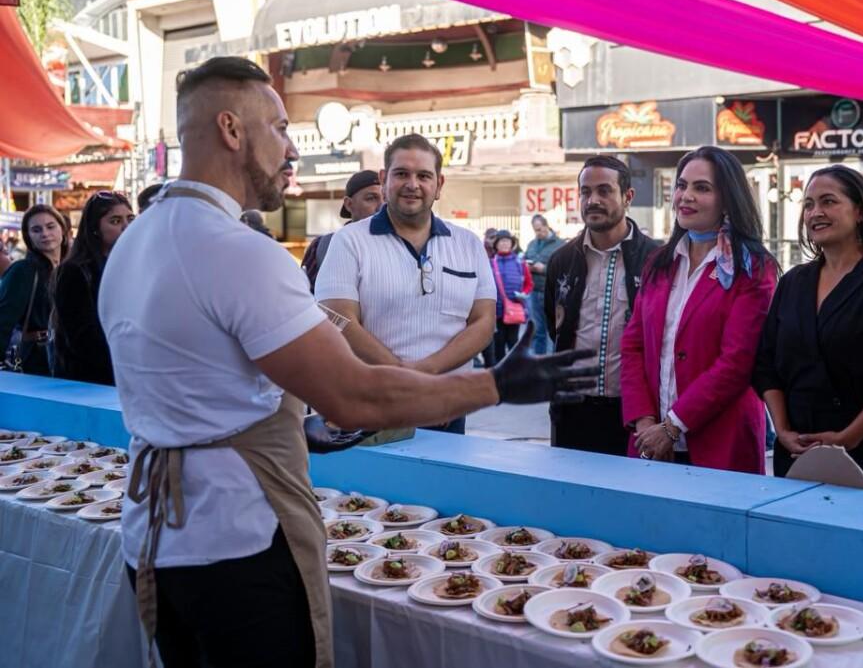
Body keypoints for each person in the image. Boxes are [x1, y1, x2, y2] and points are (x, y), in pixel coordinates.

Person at [98, 56, 595, 668]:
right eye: (279, 128)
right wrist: (495, 383)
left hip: (152, 536)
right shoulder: (240, 251)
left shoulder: (134, 242)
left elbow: (197, 387)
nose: (291, 149)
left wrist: (290, 425)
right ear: (231, 130)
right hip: (236, 539)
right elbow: (356, 397)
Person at [754, 165, 863, 494]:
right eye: (808, 204)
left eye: (828, 202)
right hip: (798, 451)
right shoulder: (793, 282)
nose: (815, 213)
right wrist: (782, 429)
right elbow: (765, 363)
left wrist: (849, 436)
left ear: (860, 211)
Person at [316, 134, 498, 436]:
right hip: (371, 407)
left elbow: (483, 322)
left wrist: (429, 376)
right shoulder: (349, 242)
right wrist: (405, 383)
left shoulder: (468, 245)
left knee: (441, 482)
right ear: (385, 179)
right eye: (402, 174)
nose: (412, 184)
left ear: (438, 185)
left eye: (423, 176)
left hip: (445, 407)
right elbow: (338, 320)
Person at [622, 146, 776, 474]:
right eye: (681, 185)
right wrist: (646, 422)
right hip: (649, 442)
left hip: (722, 443)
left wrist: (672, 426)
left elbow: (737, 362)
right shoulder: (658, 262)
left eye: (701, 188)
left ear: (728, 199)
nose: (685, 196)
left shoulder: (753, 268)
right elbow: (633, 344)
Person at [544, 156, 659, 455]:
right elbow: (554, 326)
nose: (593, 200)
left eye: (604, 191)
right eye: (585, 192)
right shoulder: (561, 260)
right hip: (571, 409)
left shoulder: (657, 260)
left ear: (627, 196)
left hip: (635, 413)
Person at [51, 191, 136, 385]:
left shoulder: (133, 263)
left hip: (129, 374)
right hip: (90, 381)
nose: (126, 227)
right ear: (95, 228)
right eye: (115, 221)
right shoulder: (75, 271)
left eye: (130, 219)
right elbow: (82, 338)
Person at [0, 205, 69, 376]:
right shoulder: (23, 270)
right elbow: (3, 320)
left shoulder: (71, 268)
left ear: (63, 229)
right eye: (36, 230)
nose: (45, 234)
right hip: (37, 361)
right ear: (28, 237)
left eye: (50, 226)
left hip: (70, 360)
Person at [300, 169, 383, 291]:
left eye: (386, 199)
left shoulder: (401, 245)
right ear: (349, 204)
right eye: (371, 198)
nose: (381, 206)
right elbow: (307, 299)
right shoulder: (323, 247)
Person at [524, 214, 565, 355]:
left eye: (540, 229)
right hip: (535, 292)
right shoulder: (532, 244)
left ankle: (554, 363)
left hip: (553, 293)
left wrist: (545, 269)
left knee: (554, 330)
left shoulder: (560, 245)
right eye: (535, 230)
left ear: (547, 226)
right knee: (538, 330)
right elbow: (525, 258)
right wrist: (527, 266)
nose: (538, 233)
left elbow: (564, 269)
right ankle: (539, 363)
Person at [491, 229, 532, 361]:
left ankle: (513, 375)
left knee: (513, 343)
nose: (504, 244)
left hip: (514, 310)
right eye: (501, 241)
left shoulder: (520, 263)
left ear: (512, 244)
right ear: (496, 244)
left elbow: (529, 284)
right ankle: (498, 377)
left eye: (507, 241)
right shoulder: (491, 263)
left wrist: (523, 294)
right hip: (496, 311)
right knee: (498, 344)